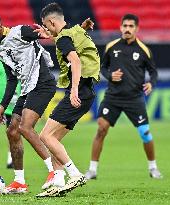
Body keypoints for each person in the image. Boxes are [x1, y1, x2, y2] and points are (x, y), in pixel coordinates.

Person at [0, 13, 94, 194]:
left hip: (42, 83)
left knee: (25, 127)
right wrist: (3, 105)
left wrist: (45, 34)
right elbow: (12, 79)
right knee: (12, 131)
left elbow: (50, 34)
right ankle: (19, 182)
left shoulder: (20, 32)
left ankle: (53, 172)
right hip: (27, 88)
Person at [84, 14, 163, 180]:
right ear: (120, 27)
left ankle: (153, 168)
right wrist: (110, 75)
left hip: (134, 98)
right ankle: (92, 170)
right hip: (113, 97)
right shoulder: (111, 46)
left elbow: (153, 71)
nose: (127, 29)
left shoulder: (143, 50)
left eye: (131, 26)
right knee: (101, 128)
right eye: (125, 26)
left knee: (145, 133)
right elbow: (103, 68)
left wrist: (151, 84)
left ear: (136, 28)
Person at [34, 3, 100, 197]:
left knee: (45, 136)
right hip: (88, 92)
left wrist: (73, 90)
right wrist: (85, 25)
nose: (46, 29)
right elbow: (78, 34)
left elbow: (76, 61)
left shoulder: (63, 38)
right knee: (54, 140)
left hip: (79, 91)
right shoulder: (74, 31)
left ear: (52, 21)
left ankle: (74, 174)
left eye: (46, 26)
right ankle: (58, 180)